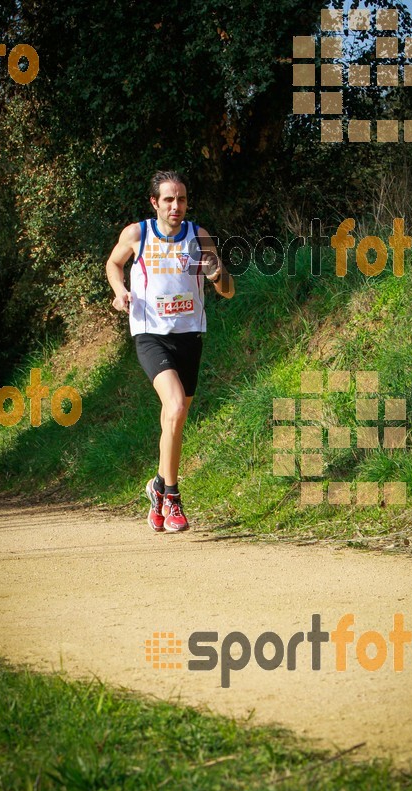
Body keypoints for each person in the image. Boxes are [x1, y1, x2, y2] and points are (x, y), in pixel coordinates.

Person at [106, 170, 235, 532]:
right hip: (150, 335)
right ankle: (173, 498)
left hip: (189, 336)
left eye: (181, 199)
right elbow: (113, 264)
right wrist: (119, 291)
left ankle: (157, 487)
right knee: (175, 405)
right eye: (168, 199)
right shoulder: (138, 235)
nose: (175, 206)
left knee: (174, 420)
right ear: (154, 203)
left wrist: (215, 275)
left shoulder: (199, 237)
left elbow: (228, 291)